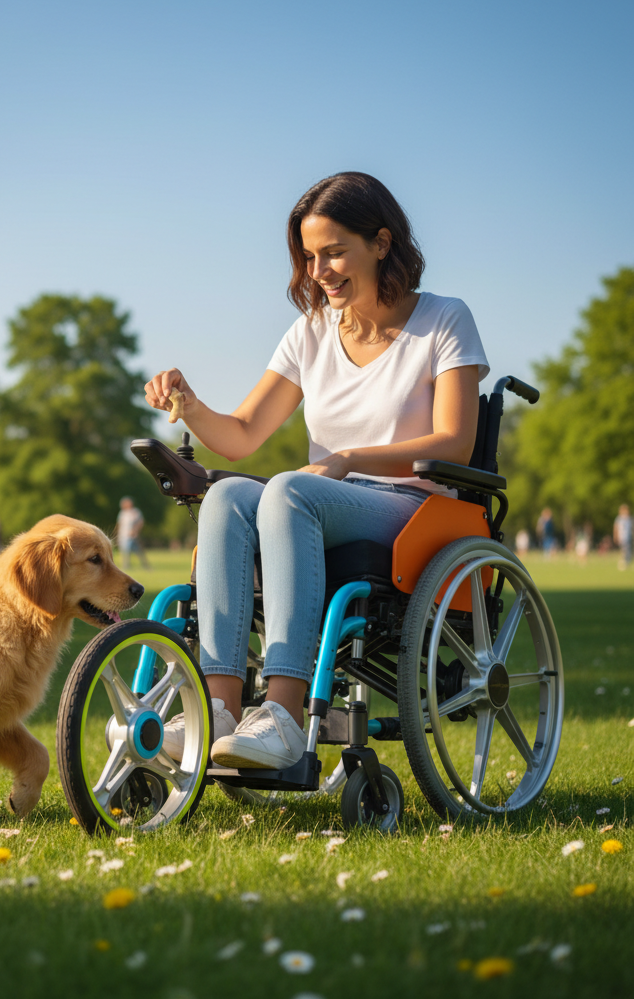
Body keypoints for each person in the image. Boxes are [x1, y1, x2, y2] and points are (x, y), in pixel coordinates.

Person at [145, 171, 488, 771]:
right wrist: (191, 404)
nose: (318, 271)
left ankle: (281, 713)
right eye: (308, 257)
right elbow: (244, 434)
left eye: (334, 252)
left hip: (411, 510)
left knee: (288, 491)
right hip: (316, 496)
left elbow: (455, 442)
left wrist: (352, 458)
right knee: (227, 499)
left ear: (381, 243)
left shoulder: (443, 320)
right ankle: (219, 712)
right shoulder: (309, 334)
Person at [114, 496, 151, 570]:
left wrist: (135, 531)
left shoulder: (135, 512)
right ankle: (126, 566)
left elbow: (140, 522)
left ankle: (146, 566)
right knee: (125, 552)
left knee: (139, 552)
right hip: (123, 536)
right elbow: (119, 524)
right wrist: (117, 535)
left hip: (132, 536)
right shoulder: (122, 513)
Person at [614, 504, 632, 570]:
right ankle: (623, 561)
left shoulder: (629, 519)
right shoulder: (619, 519)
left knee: (628, 550)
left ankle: (627, 561)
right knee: (623, 550)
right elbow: (616, 528)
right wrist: (616, 536)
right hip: (622, 537)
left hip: (628, 537)